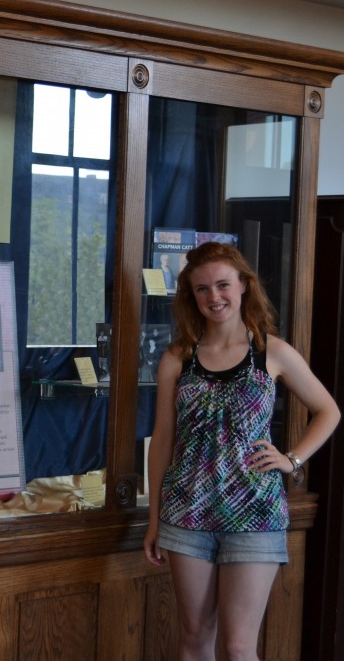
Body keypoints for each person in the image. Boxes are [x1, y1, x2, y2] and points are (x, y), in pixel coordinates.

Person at [143, 241, 339, 661]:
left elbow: (328, 411)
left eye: (223, 285)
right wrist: (154, 519)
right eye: (202, 289)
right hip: (186, 514)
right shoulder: (178, 358)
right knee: (195, 639)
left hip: (256, 515)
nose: (214, 297)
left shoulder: (273, 352)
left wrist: (292, 460)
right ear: (190, 296)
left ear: (244, 286)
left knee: (237, 646)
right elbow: (163, 439)